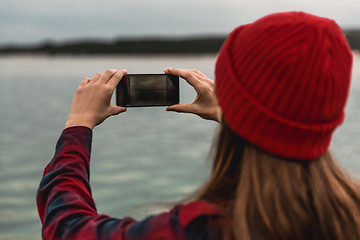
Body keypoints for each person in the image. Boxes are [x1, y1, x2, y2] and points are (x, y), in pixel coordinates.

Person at [36, 11, 359, 240]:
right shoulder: (350, 212)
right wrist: (239, 114)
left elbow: (67, 228)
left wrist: (77, 126)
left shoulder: (201, 229)